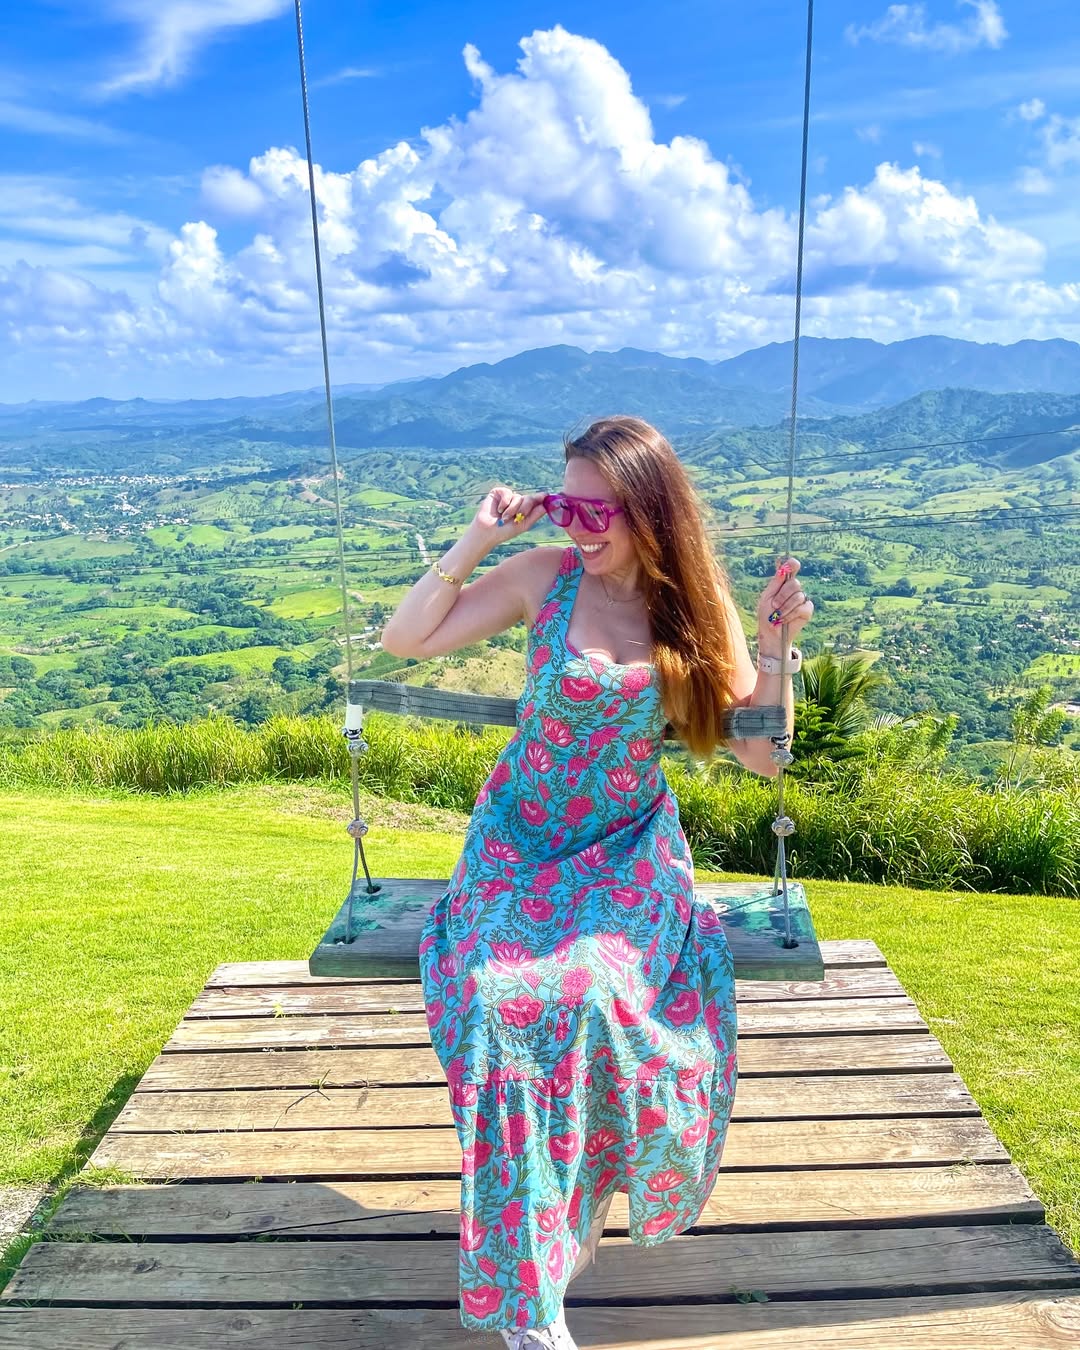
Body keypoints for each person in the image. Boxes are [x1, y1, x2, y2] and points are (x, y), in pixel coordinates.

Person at [381, 416, 813, 1348]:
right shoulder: (545, 575)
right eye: (567, 501)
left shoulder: (696, 607)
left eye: (599, 509)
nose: (579, 523)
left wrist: (779, 648)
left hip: (626, 850)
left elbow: (763, 760)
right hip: (520, 842)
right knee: (499, 1000)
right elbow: (406, 642)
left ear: (651, 512)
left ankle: (566, 1212)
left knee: (593, 993)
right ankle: (536, 1281)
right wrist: (482, 533)